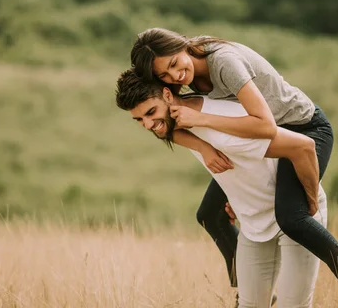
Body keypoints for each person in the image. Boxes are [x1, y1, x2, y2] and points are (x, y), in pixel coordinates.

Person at [129, 28, 338, 308]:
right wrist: (204, 148)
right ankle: (246, 289)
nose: (175, 77)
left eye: (173, 65)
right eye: (164, 76)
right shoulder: (177, 84)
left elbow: (266, 127)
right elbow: (164, 124)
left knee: (292, 217)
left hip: (303, 128)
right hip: (265, 137)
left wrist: (203, 119)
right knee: (210, 213)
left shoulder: (224, 62)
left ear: (182, 45)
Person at [115, 68, 327, 307]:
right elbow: (171, 132)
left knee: (294, 305)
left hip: (294, 212)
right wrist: (236, 193)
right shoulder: (179, 120)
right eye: (139, 120)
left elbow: (303, 147)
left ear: (166, 96)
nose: (147, 125)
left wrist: (311, 203)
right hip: (254, 222)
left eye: (150, 113)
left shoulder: (220, 123)